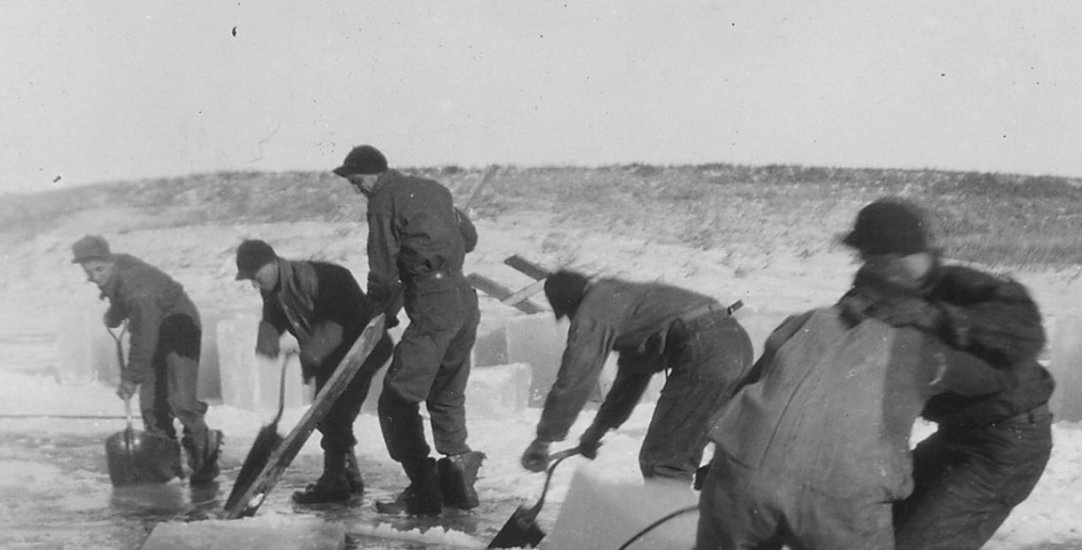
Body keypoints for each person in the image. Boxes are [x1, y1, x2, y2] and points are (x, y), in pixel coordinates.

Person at [632, 203, 958, 550]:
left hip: (743, 470)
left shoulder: (805, 322)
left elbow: (750, 391)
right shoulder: (928, 343)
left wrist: (724, 469)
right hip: (844, 488)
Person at [878, 201, 1055, 550]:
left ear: (917, 253)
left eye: (890, 255)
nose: (880, 266)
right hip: (958, 436)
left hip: (1006, 443)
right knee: (863, 528)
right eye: (870, 256)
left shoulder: (965, 287)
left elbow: (1023, 333)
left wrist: (938, 317)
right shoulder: (881, 297)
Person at [333, 144, 483, 517]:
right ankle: (458, 474)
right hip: (463, 296)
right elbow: (469, 238)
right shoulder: (434, 189)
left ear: (374, 173)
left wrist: (378, 310)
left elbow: (383, 268)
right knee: (446, 392)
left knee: (397, 399)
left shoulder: (383, 200)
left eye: (358, 181)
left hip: (432, 304)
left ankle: (423, 489)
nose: (358, 189)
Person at [519, 271, 753, 483]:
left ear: (569, 304)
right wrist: (597, 430)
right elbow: (632, 378)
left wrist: (544, 439)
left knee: (663, 461)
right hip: (734, 344)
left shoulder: (593, 310)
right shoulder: (625, 301)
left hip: (705, 350)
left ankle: (668, 516)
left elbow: (575, 378)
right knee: (681, 452)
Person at [234, 239, 392, 504]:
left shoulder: (323, 278)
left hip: (362, 348)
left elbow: (336, 325)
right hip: (331, 355)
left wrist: (307, 358)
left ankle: (335, 482)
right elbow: (272, 320)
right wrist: (267, 346)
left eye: (255, 276)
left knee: (334, 415)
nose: (254, 284)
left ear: (272, 263)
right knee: (327, 418)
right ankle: (347, 476)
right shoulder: (273, 289)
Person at [72, 235, 221, 486]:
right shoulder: (119, 270)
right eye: (89, 273)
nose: (95, 278)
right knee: (151, 407)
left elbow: (144, 337)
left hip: (180, 328)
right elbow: (124, 300)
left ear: (109, 262)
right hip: (153, 327)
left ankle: (204, 457)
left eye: (99, 270)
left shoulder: (139, 291)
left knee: (181, 402)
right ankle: (167, 468)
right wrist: (115, 311)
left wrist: (131, 379)